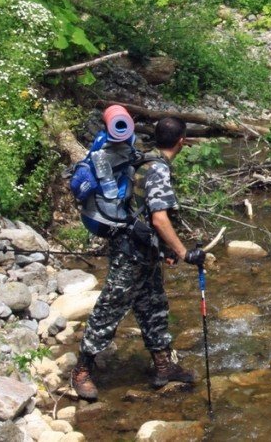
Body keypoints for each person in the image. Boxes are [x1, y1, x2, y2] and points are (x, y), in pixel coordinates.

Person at [71, 116, 205, 401]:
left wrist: (165, 250)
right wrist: (184, 252)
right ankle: (81, 371)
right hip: (130, 254)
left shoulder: (144, 160)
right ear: (182, 141)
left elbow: (140, 210)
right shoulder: (158, 169)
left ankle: (163, 367)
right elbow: (158, 219)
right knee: (109, 308)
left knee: (154, 306)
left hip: (144, 251)